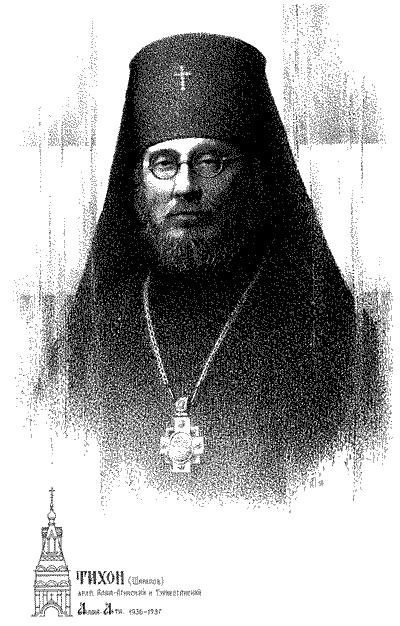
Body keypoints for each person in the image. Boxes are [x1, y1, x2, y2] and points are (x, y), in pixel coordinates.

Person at [56, 33, 381, 503]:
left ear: (254, 177)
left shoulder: (329, 329)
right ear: (136, 186)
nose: (185, 186)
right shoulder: (92, 330)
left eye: (209, 161)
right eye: (164, 163)